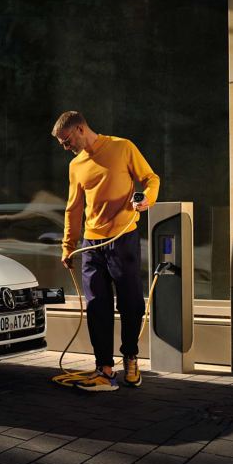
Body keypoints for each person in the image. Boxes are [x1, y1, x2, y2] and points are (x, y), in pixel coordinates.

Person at [52, 111, 160, 392]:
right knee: (97, 306)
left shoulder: (122, 147)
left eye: (66, 141)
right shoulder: (76, 165)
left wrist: (146, 199)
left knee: (132, 303)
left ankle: (131, 356)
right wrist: (68, 246)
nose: (65, 147)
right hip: (91, 245)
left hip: (124, 239)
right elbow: (73, 208)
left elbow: (150, 178)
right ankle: (105, 369)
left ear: (80, 128)